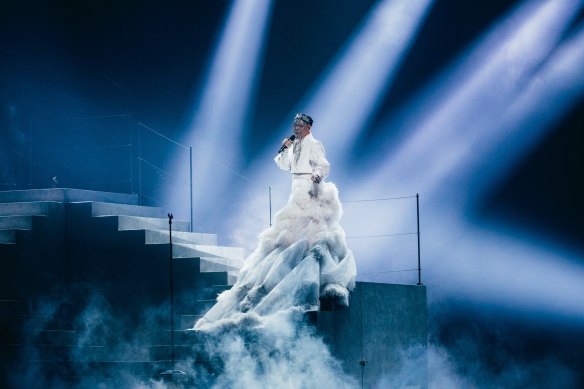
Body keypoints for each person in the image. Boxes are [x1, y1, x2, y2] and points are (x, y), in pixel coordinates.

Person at [194, 113, 356, 331]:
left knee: (311, 229)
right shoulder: (294, 145)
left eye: (299, 125)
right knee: (286, 230)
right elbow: (282, 165)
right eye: (294, 124)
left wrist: (317, 175)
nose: (296, 128)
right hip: (295, 188)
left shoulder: (315, 144)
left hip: (309, 187)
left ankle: (311, 275)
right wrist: (284, 148)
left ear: (308, 127)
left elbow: (323, 165)